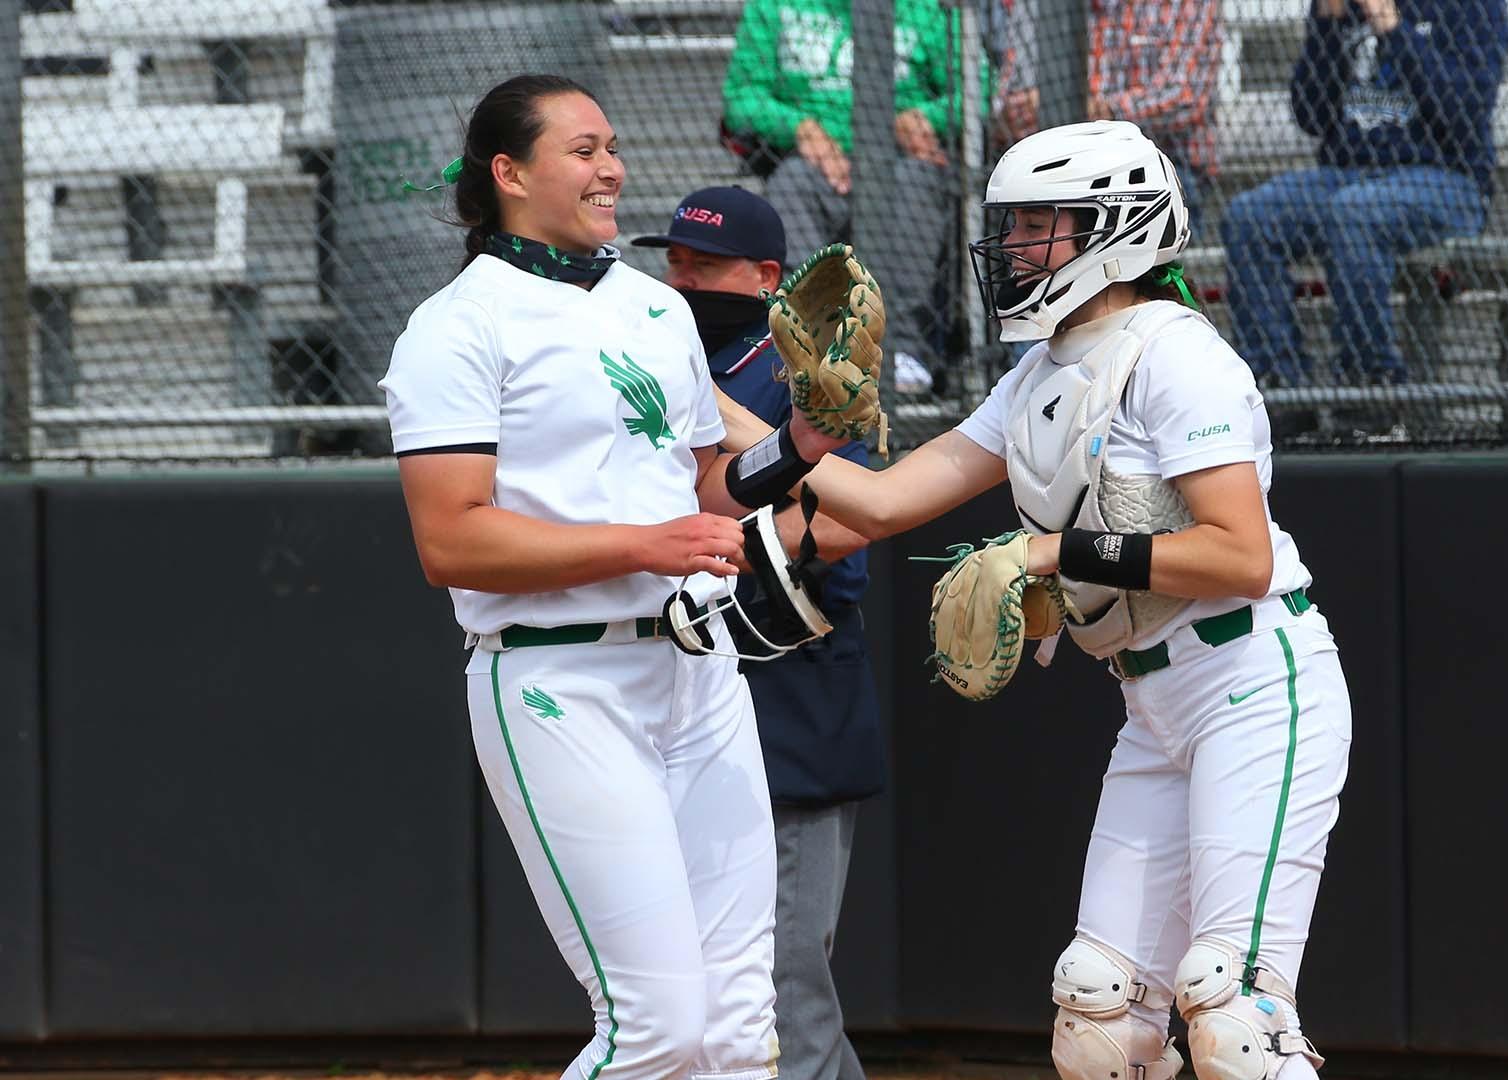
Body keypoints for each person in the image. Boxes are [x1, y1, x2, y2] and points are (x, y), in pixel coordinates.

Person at [722, 120, 1353, 1080]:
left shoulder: (1175, 354)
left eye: (1038, 225)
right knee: (1100, 1020)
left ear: (1117, 228)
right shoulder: (1036, 372)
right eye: (1011, 226)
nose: (1013, 248)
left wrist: (1046, 550)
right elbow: (886, 503)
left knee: (1233, 1015)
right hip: (1151, 705)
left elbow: (1240, 556)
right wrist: (738, 418)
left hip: (1255, 682)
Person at [380, 75, 852, 1080]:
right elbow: (451, 543)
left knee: (734, 1031)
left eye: (611, 147)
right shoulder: (457, 326)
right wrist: (645, 545)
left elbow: (704, 490)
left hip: (695, 671)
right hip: (560, 682)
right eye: (584, 149)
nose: (611, 169)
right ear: (509, 173)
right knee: (656, 1031)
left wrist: (800, 445)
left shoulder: (650, 305)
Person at [633, 184, 886, 1080]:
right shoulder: (650, 364)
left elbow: (846, 542)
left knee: (782, 984)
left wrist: (709, 545)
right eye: (672, 260)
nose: (681, 278)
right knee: (688, 988)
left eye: (703, 264)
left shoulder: (801, 380)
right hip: (674, 695)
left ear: (766, 275)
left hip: (788, 701)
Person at [1221, 0, 1508, 386]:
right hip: (1346, 174)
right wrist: (1328, 23)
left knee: (1355, 212)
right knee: (1248, 218)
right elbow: (1312, 117)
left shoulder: (1473, 6)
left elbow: (1465, 111)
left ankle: (1371, 383)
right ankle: (1277, 384)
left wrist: (1390, 25)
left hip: (1447, 179)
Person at [721, 0, 964, 390]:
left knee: (917, 180)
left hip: (903, 161)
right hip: (816, 167)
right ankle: (813, 347)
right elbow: (741, 98)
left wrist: (925, 117)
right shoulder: (774, 6)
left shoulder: (922, 7)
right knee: (792, 182)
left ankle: (901, 351)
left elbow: (979, 86)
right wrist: (799, 127)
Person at [989, 0, 1222, 236]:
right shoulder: (1037, 5)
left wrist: (1097, 109)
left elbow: (1184, 98)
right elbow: (1007, 99)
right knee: (1010, 191)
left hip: (1155, 164)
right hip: (1054, 163)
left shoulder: (1184, 4)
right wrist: (1021, 110)